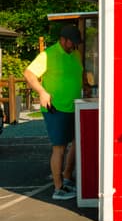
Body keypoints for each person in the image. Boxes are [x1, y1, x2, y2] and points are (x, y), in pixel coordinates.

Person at [24, 23, 83, 201]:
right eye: (71, 42)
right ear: (63, 40)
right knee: (60, 147)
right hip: (55, 107)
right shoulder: (48, 55)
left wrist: (86, 87)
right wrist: (42, 92)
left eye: (75, 43)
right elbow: (28, 74)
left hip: (74, 106)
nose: (73, 45)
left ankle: (67, 176)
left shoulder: (76, 54)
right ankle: (58, 188)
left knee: (78, 143)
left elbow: (76, 76)